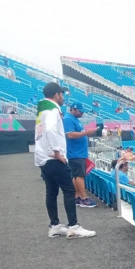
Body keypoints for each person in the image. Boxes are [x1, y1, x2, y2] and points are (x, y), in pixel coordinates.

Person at [34, 82, 95, 239]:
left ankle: (54, 226)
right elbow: (50, 130)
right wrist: (56, 152)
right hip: (53, 157)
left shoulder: (42, 110)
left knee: (51, 191)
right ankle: (73, 227)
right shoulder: (53, 109)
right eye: (62, 94)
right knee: (68, 190)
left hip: (42, 157)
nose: (63, 98)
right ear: (56, 95)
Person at [63, 102, 98, 208]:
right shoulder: (68, 119)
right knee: (79, 176)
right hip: (75, 153)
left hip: (79, 153)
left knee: (76, 176)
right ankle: (84, 199)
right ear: (73, 109)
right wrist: (86, 133)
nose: (82, 113)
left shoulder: (75, 119)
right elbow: (70, 135)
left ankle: (77, 196)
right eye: (80, 111)